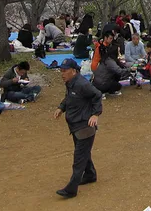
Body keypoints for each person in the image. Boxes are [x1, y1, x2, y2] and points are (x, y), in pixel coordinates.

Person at [54, 58, 102, 199]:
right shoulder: (70, 83)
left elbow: (97, 95)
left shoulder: (82, 84)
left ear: (74, 71)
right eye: (61, 70)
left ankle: (71, 189)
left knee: (79, 158)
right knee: (83, 153)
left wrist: (95, 114)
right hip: (75, 126)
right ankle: (90, 175)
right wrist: (61, 108)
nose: (62, 73)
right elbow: (69, 97)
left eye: (65, 71)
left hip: (85, 127)